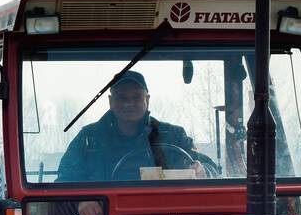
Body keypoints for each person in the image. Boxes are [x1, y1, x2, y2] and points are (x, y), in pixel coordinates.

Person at [56, 71, 202, 182]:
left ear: (147, 100)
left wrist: (202, 170)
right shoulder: (89, 138)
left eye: (136, 97)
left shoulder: (173, 135)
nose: (129, 104)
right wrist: (83, 201)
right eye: (122, 98)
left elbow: (208, 165)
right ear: (111, 101)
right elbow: (64, 179)